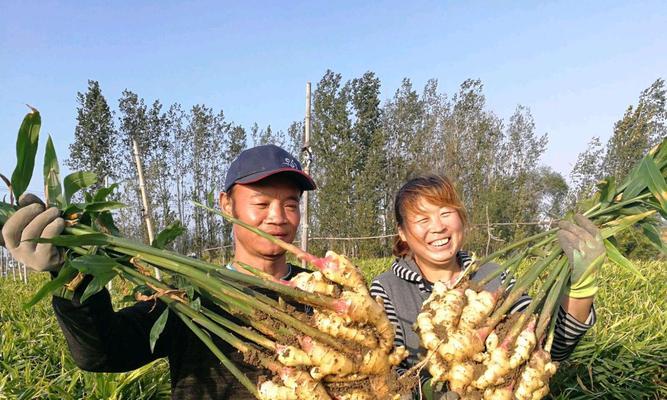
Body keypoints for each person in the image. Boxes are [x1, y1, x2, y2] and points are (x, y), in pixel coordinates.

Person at [2, 144, 317, 400]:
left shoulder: (319, 294)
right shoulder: (188, 296)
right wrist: (70, 276)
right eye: (261, 203)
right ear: (226, 204)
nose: (278, 218)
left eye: (291, 204)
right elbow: (102, 352)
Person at [370, 175, 603, 398]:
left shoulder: (495, 276)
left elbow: (548, 346)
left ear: (461, 218)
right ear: (402, 233)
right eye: (423, 219)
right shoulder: (386, 289)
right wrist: (432, 391)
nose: (438, 227)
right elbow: (386, 373)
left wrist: (581, 289)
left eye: (446, 213)